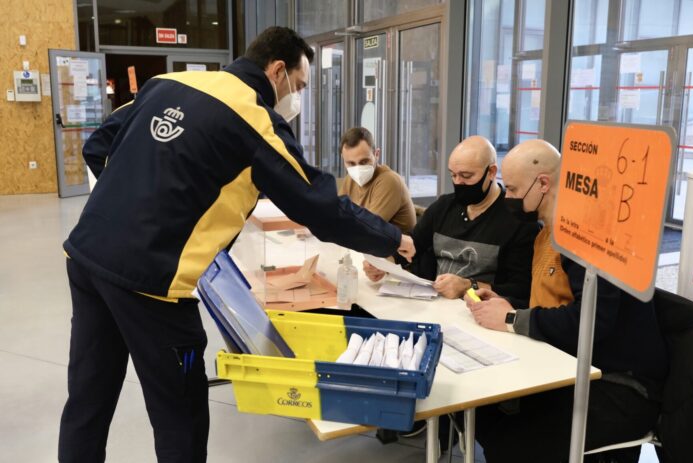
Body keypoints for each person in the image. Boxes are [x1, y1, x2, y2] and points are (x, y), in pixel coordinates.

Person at [59, 26, 414, 463]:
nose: (296, 99)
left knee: (88, 397)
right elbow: (320, 206)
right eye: (299, 86)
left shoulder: (171, 83)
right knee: (180, 412)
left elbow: (99, 146)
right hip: (154, 287)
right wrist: (392, 238)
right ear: (278, 70)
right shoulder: (254, 119)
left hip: (87, 258)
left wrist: (128, 209)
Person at [465, 139, 668, 463]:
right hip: (571, 367)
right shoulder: (548, 232)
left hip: (618, 385)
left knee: (508, 438)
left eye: (514, 190)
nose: (509, 198)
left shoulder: (585, 236)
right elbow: (553, 301)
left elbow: (593, 320)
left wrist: (511, 319)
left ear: (543, 183)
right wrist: (506, 302)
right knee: (484, 413)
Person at [364, 135, 536, 303]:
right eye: (453, 175)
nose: (458, 182)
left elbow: (520, 289)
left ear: (491, 172)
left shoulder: (518, 221)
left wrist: (468, 285)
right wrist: (384, 263)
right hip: (435, 304)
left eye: (467, 176)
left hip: (481, 313)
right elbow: (413, 245)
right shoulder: (443, 207)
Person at [338, 127, 416, 234]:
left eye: (364, 161)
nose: (357, 168)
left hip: (395, 250)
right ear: (343, 159)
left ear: (376, 154)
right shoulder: (349, 180)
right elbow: (337, 216)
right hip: (364, 247)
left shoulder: (389, 181)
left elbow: (366, 229)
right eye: (351, 163)